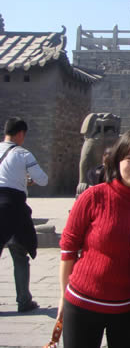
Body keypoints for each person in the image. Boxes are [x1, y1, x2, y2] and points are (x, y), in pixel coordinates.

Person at [59, 129, 130, 347]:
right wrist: (62, 296)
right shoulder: (93, 196)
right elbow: (68, 249)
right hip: (82, 302)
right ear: (117, 160)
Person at [0, 117, 48, 313]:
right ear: (21, 134)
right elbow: (42, 179)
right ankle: (24, 300)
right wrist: (28, 180)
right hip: (13, 208)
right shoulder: (23, 153)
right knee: (19, 253)